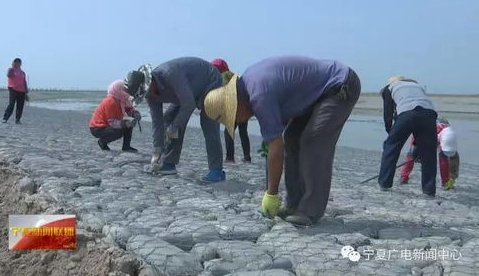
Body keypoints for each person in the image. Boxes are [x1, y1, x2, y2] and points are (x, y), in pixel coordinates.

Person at [204, 56, 361, 225]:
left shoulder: (259, 95)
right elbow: (273, 145)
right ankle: (293, 205)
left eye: (233, 118)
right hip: (315, 96)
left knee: (313, 141)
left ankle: (310, 210)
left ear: (235, 105)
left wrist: (271, 194)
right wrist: (269, 182)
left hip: (339, 86)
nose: (238, 122)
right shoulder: (251, 86)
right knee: (292, 139)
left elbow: (275, 146)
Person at [124, 57, 225, 183]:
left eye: (146, 92)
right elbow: (158, 122)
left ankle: (217, 171)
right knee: (169, 120)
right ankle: (169, 163)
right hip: (188, 91)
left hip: (211, 82)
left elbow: (188, 105)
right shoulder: (150, 95)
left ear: (150, 82)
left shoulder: (170, 74)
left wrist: (174, 127)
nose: (148, 96)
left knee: (208, 124)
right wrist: (157, 151)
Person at [378, 76, 437, 196]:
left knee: (391, 147)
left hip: (407, 114)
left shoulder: (389, 88)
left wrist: (390, 132)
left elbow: (388, 113)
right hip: (429, 114)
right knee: (429, 153)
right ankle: (429, 190)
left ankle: (385, 183)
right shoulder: (417, 85)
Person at [400, 117, 459, 190]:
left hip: (442, 133)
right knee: (413, 153)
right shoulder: (426, 129)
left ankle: (445, 182)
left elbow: (451, 159)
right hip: (423, 129)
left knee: (443, 158)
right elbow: (416, 141)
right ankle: (404, 177)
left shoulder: (449, 136)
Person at [211, 58, 251, 163]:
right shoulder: (235, 76)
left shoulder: (223, 76)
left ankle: (230, 157)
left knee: (228, 132)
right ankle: (247, 157)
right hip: (244, 107)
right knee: (243, 133)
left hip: (234, 107)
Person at [89, 80, 140, 152]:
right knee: (119, 132)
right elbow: (112, 122)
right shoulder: (111, 101)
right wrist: (124, 123)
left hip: (107, 125)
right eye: (124, 89)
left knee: (129, 123)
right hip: (97, 128)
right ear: (118, 90)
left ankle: (126, 146)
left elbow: (130, 110)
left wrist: (135, 115)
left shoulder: (122, 100)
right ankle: (102, 142)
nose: (127, 91)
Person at [3, 58, 28, 124]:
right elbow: (8, 75)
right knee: (11, 104)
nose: (17, 64)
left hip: (22, 91)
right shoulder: (11, 70)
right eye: (16, 62)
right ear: (14, 63)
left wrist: (26, 91)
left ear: (20, 64)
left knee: (20, 105)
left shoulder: (22, 73)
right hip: (12, 89)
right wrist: (12, 67)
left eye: (19, 62)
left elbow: (24, 82)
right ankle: (5, 118)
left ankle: (17, 119)